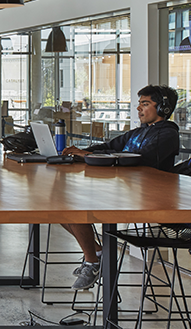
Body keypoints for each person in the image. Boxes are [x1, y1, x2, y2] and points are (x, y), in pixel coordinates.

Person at [59, 85, 181, 290]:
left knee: (74, 207)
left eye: (145, 104)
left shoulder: (168, 135)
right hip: (125, 191)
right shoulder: (139, 132)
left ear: (163, 109)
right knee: (60, 206)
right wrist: (81, 152)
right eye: (139, 104)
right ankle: (97, 253)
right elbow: (109, 147)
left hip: (148, 198)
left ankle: (93, 261)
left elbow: (137, 161)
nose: (139, 109)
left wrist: (88, 157)